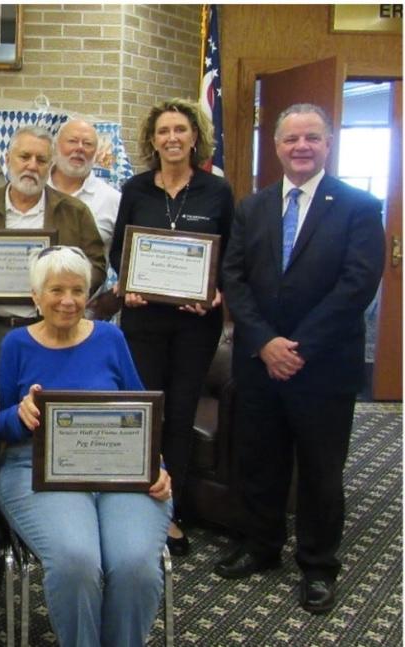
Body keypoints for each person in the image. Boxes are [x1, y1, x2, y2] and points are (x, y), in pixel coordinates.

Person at [216, 103, 384, 615]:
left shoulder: (359, 205)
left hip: (323, 365)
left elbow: (357, 286)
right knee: (259, 459)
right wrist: (266, 342)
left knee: (319, 470)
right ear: (277, 146)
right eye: (291, 139)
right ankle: (262, 546)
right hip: (259, 360)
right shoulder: (254, 206)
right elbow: (234, 277)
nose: (301, 147)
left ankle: (317, 565)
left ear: (328, 144)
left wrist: (297, 348)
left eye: (312, 137)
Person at [0, 246, 171, 647]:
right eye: (56, 289)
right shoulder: (16, 345)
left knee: (134, 565)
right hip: (35, 470)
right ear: (35, 296)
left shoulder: (111, 337)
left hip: (121, 468)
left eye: (78, 289)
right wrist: (19, 416)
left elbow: (143, 409)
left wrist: (157, 465)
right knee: (77, 561)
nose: (68, 300)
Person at [109, 98, 234, 556]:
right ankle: (138, 502)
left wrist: (216, 288)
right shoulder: (136, 188)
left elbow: (231, 252)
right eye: (164, 131)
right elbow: (118, 252)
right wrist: (128, 283)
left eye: (180, 129)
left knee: (180, 414)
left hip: (195, 325)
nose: (172, 138)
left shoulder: (216, 191)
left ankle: (170, 512)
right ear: (152, 139)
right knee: (147, 412)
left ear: (195, 136)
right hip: (143, 321)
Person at [0, 126, 106, 366]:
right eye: (24, 157)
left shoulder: (74, 212)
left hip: (54, 331)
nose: (32, 166)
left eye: (41, 159)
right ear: (8, 159)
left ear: (50, 165)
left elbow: (96, 265)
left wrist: (67, 291)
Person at [48, 118, 123, 321]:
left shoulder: (112, 200)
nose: (79, 149)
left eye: (87, 144)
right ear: (56, 147)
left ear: (96, 152)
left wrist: (116, 296)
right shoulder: (32, 191)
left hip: (87, 316)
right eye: (72, 141)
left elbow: (130, 259)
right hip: (28, 313)